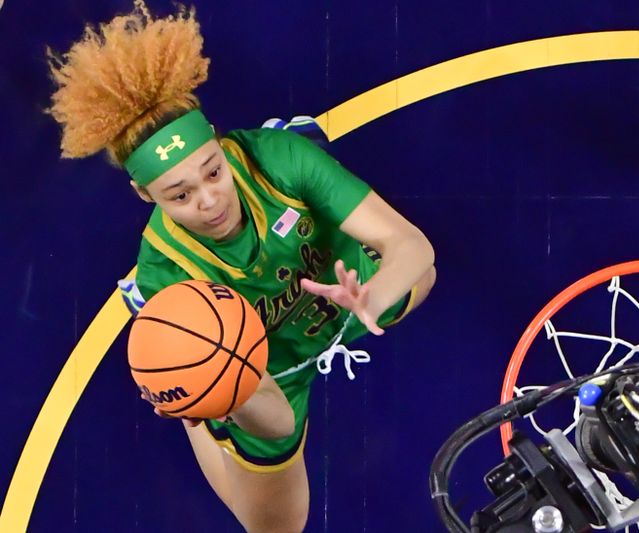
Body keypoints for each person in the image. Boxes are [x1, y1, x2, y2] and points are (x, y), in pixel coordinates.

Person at [46, 2, 436, 531]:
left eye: (212, 170)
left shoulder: (277, 157)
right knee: (276, 526)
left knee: (420, 281)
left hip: (342, 299)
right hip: (261, 366)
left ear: (218, 139)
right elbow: (266, 411)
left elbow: (412, 246)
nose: (208, 200)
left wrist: (373, 293)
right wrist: (201, 380)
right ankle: (202, 412)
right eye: (180, 194)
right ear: (144, 194)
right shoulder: (168, 271)